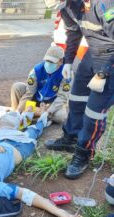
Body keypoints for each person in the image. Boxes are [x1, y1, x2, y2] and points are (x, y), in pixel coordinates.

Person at [0, 111, 82, 217]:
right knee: (33, 130)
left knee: (9, 119)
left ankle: (29, 112)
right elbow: (25, 195)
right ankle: (44, 117)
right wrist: (59, 212)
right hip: (19, 146)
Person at [44, 0, 114, 179]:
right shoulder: (66, 6)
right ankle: (71, 138)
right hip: (92, 53)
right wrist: (68, 61)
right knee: (75, 99)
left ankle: (83, 153)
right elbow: (73, 32)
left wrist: (104, 72)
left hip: (110, 57)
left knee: (94, 113)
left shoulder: (103, 4)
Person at [11, 45, 72, 124]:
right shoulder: (37, 70)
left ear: (60, 61)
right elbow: (29, 92)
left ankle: (38, 113)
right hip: (36, 98)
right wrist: (18, 110)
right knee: (17, 87)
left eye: (52, 62)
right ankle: (17, 113)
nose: (48, 64)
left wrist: (49, 111)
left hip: (51, 103)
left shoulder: (66, 73)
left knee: (61, 116)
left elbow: (62, 97)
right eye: (47, 60)